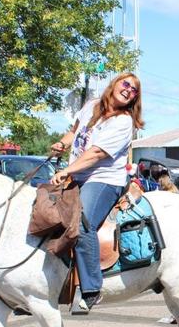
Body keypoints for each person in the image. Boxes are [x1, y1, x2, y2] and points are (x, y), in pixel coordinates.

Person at [50, 72, 144, 313]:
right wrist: (61, 144)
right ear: (114, 84)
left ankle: (91, 289)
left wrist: (66, 170)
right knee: (45, 213)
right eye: (126, 84)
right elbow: (75, 131)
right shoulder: (91, 106)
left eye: (134, 90)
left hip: (104, 179)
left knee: (82, 223)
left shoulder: (123, 122)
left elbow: (96, 154)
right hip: (78, 174)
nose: (128, 90)